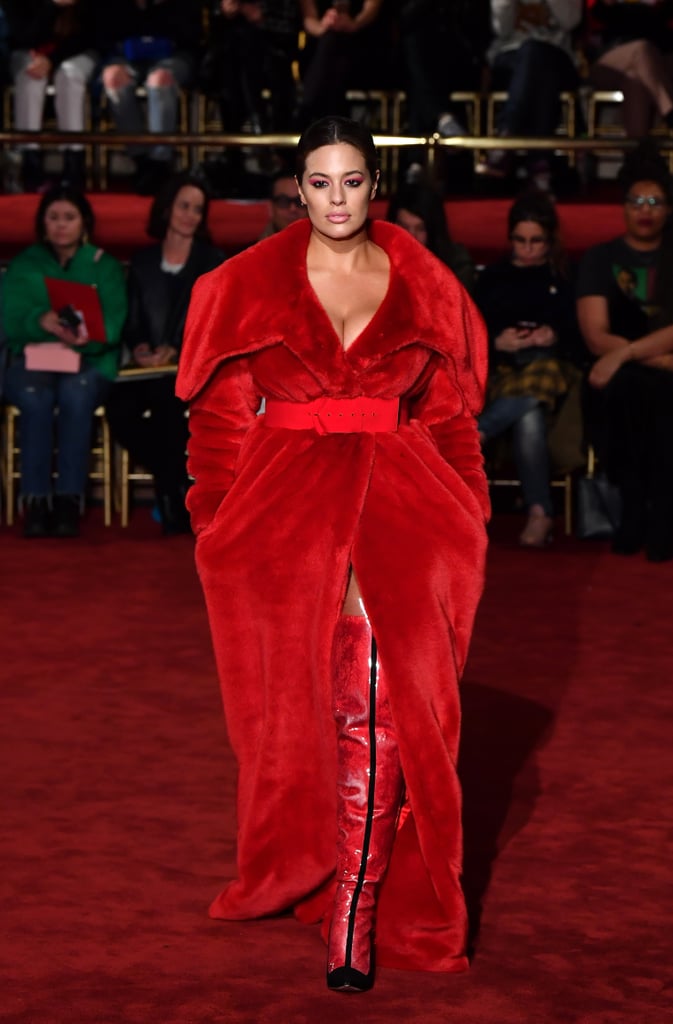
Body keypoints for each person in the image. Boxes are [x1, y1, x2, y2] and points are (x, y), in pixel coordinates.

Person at [176, 115, 489, 992]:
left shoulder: (425, 282)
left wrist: (465, 508)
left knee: (385, 690)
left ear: (373, 184)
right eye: (320, 183)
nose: (337, 199)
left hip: (402, 494)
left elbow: (451, 412)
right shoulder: (243, 285)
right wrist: (215, 521)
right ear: (298, 187)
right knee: (294, 707)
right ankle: (313, 860)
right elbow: (219, 418)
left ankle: (356, 899)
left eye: (352, 181)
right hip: (285, 504)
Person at [2, 184, 127, 537]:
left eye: (69, 218)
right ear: (42, 223)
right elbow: (11, 321)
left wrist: (88, 338)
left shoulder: (104, 266)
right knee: (34, 397)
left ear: (83, 223)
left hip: (89, 359)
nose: (60, 225)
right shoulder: (26, 263)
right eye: (53, 218)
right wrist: (38, 320)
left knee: (76, 394)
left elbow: (114, 327)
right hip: (34, 359)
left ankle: (70, 500)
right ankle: (37, 501)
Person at [105, 172, 225, 535]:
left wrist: (178, 349)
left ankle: (171, 500)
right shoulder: (142, 261)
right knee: (119, 409)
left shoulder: (212, 259)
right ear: (168, 209)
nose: (190, 215)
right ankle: (175, 484)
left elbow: (214, 320)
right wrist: (141, 347)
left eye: (197, 209)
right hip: (145, 368)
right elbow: (133, 319)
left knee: (167, 410)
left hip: (190, 367)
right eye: (184, 206)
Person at [577, 142, 673, 562]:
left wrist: (626, 352)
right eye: (636, 201)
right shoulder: (601, 259)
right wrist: (653, 357)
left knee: (663, 398)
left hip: (642, 372)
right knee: (632, 391)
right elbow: (598, 338)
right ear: (623, 207)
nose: (645, 209)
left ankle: (661, 518)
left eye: (655, 201)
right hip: (619, 377)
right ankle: (635, 510)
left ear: (669, 209)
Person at [475, 190, 581, 547]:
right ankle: (540, 512)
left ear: (549, 241)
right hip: (505, 368)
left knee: (543, 378)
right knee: (529, 417)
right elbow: (470, 333)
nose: (528, 248)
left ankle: (479, 431)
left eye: (536, 241)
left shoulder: (564, 277)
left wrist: (553, 334)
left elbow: (580, 335)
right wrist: (498, 342)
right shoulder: (493, 277)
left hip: (551, 367)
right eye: (520, 240)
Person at [95, 0, 202, 195]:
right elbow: (105, 33)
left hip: (175, 55)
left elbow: (192, 36)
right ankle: (141, 159)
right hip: (127, 55)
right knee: (113, 78)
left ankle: (160, 162)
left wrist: (159, 7)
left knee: (159, 79)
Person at [484, 0, 582, 188]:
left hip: (557, 55)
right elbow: (501, 29)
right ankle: (540, 163)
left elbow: (570, 20)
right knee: (533, 58)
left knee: (539, 58)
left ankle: (507, 135)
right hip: (511, 56)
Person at [4, 0, 98, 192]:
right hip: (30, 52)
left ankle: (73, 163)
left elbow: (93, 36)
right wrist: (52, 7)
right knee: (31, 77)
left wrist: (53, 59)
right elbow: (23, 36)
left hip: (76, 52)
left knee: (69, 76)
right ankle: (29, 162)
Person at [587, 0, 673, 138]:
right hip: (610, 60)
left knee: (634, 79)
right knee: (642, 50)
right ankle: (669, 110)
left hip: (654, 66)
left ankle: (637, 155)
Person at [295, 1, 385, 129]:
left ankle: (307, 113)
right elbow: (309, 19)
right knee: (331, 45)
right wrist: (324, 25)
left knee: (333, 51)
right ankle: (336, 127)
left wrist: (354, 24)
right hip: (321, 50)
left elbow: (372, 9)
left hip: (363, 47)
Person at [386, 180, 476, 293]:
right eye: (404, 227)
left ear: (433, 230)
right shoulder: (376, 260)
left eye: (420, 229)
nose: (411, 237)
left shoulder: (456, 265)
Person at [258, 169, 308, 238]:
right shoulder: (257, 248)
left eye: (299, 201)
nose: (293, 209)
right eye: (283, 201)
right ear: (270, 207)